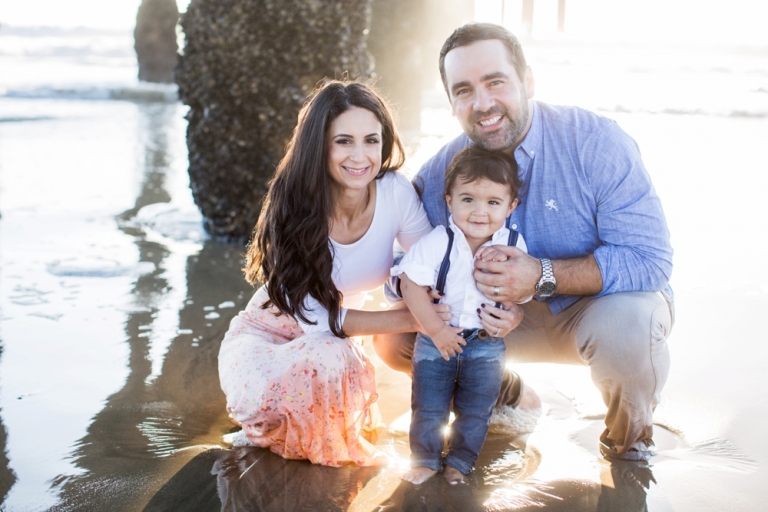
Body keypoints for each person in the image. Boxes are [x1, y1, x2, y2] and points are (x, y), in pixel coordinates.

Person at [374, 23, 674, 461]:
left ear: (528, 81)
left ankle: (628, 446)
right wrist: (435, 305)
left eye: (495, 82)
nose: (482, 103)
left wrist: (541, 275)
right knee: (397, 333)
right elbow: (397, 273)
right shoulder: (442, 171)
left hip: (594, 311)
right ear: (452, 101)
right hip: (490, 322)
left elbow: (650, 259)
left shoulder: (595, 142)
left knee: (630, 331)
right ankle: (503, 391)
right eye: (464, 90)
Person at [218, 80, 524, 467]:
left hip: (342, 336)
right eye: (343, 141)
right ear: (319, 145)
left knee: (364, 348)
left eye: (371, 140)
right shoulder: (294, 205)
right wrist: (410, 318)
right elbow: (315, 322)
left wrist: (509, 309)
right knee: (329, 360)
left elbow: (439, 261)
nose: (360, 156)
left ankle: (501, 390)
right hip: (271, 338)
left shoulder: (394, 191)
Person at [393, 146, 527, 485]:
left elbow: (521, 292)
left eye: (493, 203)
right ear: (449, 200)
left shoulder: (513, 244)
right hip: (437, 339)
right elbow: (410, 285)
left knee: (476, 409)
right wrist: (436, 331)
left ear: (511, 206)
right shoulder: (439, 241)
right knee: (429, 404)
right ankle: (424, 459)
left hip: (486, 344)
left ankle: (460, 463)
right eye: (468, 199)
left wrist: (515, 310)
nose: (479, 212)